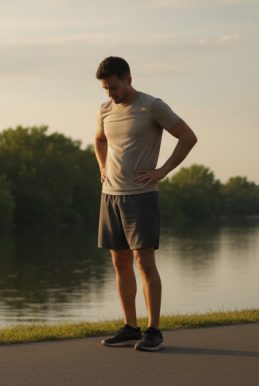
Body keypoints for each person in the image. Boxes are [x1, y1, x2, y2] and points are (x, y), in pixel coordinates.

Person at [94, 56, 197, 352]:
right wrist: (102, 166)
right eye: (104, 88)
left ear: (127, 79)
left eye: (113, 87)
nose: (109, 93)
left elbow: (188, 137)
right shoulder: (104, 109)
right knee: (120, 263)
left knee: (144, 262)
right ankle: (130, 327)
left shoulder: (152, 106)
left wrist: (163, 170)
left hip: (141, 197)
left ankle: (154, 331)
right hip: (110, 196)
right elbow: (99, 140)